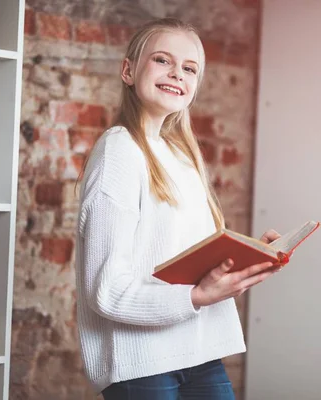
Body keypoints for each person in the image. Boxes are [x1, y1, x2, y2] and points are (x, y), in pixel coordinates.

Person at [75, 17, 287, 400]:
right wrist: (196, 297)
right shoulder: (119, 150)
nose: (177, 74)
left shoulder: (181, 157)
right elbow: (105, 290)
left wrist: (244, 261)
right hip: (141, 366)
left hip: (199, 353)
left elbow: (186, 264)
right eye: (162, 60)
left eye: (189, 68)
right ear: (128, 70)